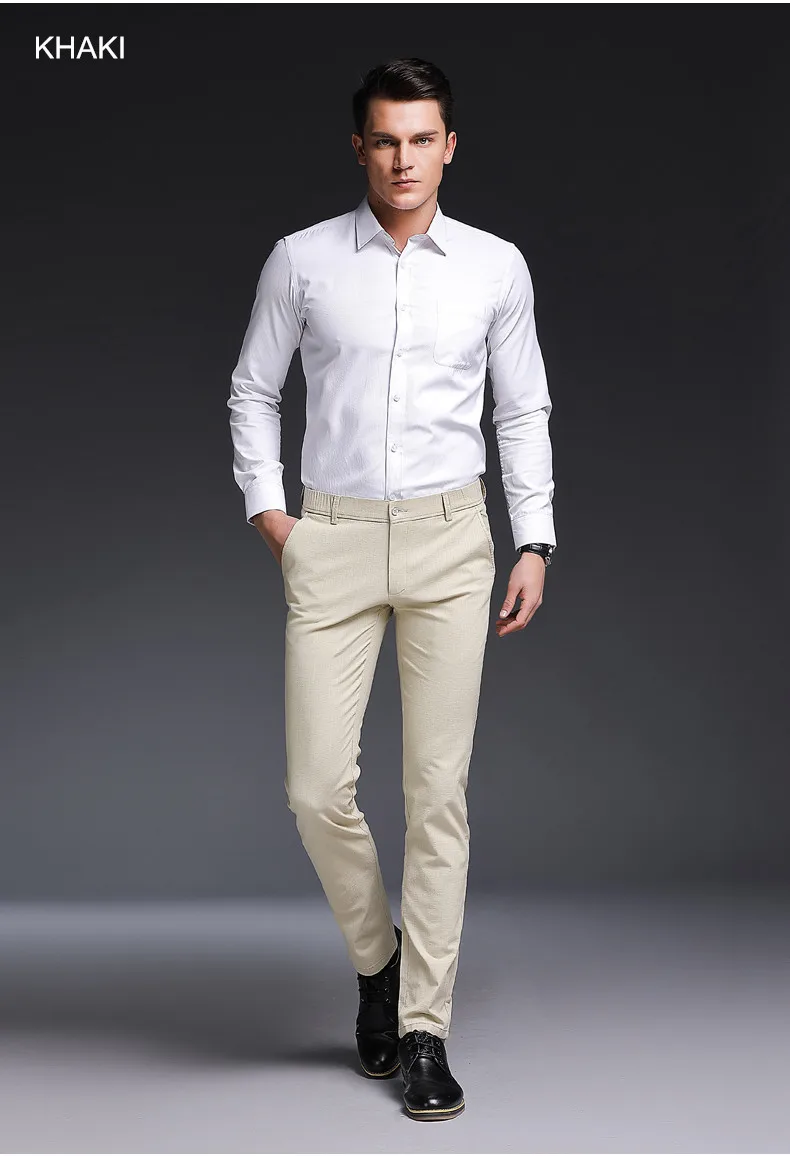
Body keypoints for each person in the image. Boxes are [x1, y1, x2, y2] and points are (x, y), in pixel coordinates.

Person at [227, 56, 557, 1122]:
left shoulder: (496, 267)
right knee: (315, 788)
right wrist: (273, 516)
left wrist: (534, 538)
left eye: (422, 139)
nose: (404, 159)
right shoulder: (303, 261)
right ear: (359, 147)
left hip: (452, 542)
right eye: (385, 139)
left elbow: (521, 409)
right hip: (330, 537)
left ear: (449, 147)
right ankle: (379, 959)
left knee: (436, 792)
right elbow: (251, 389)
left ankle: (422, 1028)